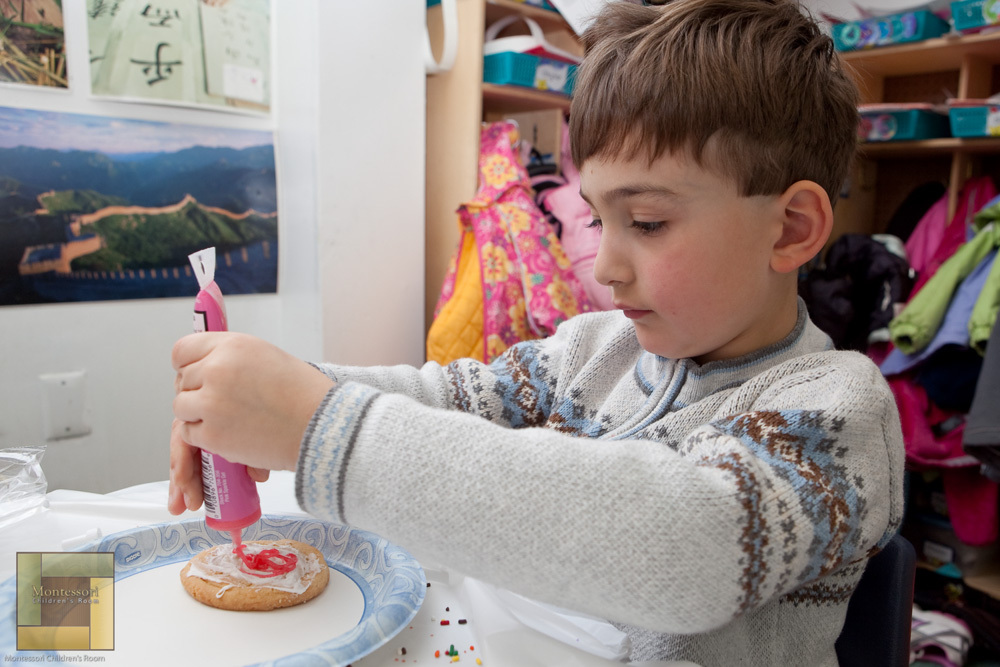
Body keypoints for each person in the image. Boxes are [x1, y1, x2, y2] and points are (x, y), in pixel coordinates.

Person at [168, 0, 905, 664]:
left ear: (792, 228)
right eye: (599, 220)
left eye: (647, 222)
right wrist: (271, 393)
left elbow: (691, 546)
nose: (605, 267)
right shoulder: (591, 348)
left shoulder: (837, 412)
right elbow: (448, 396)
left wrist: (319, 429)